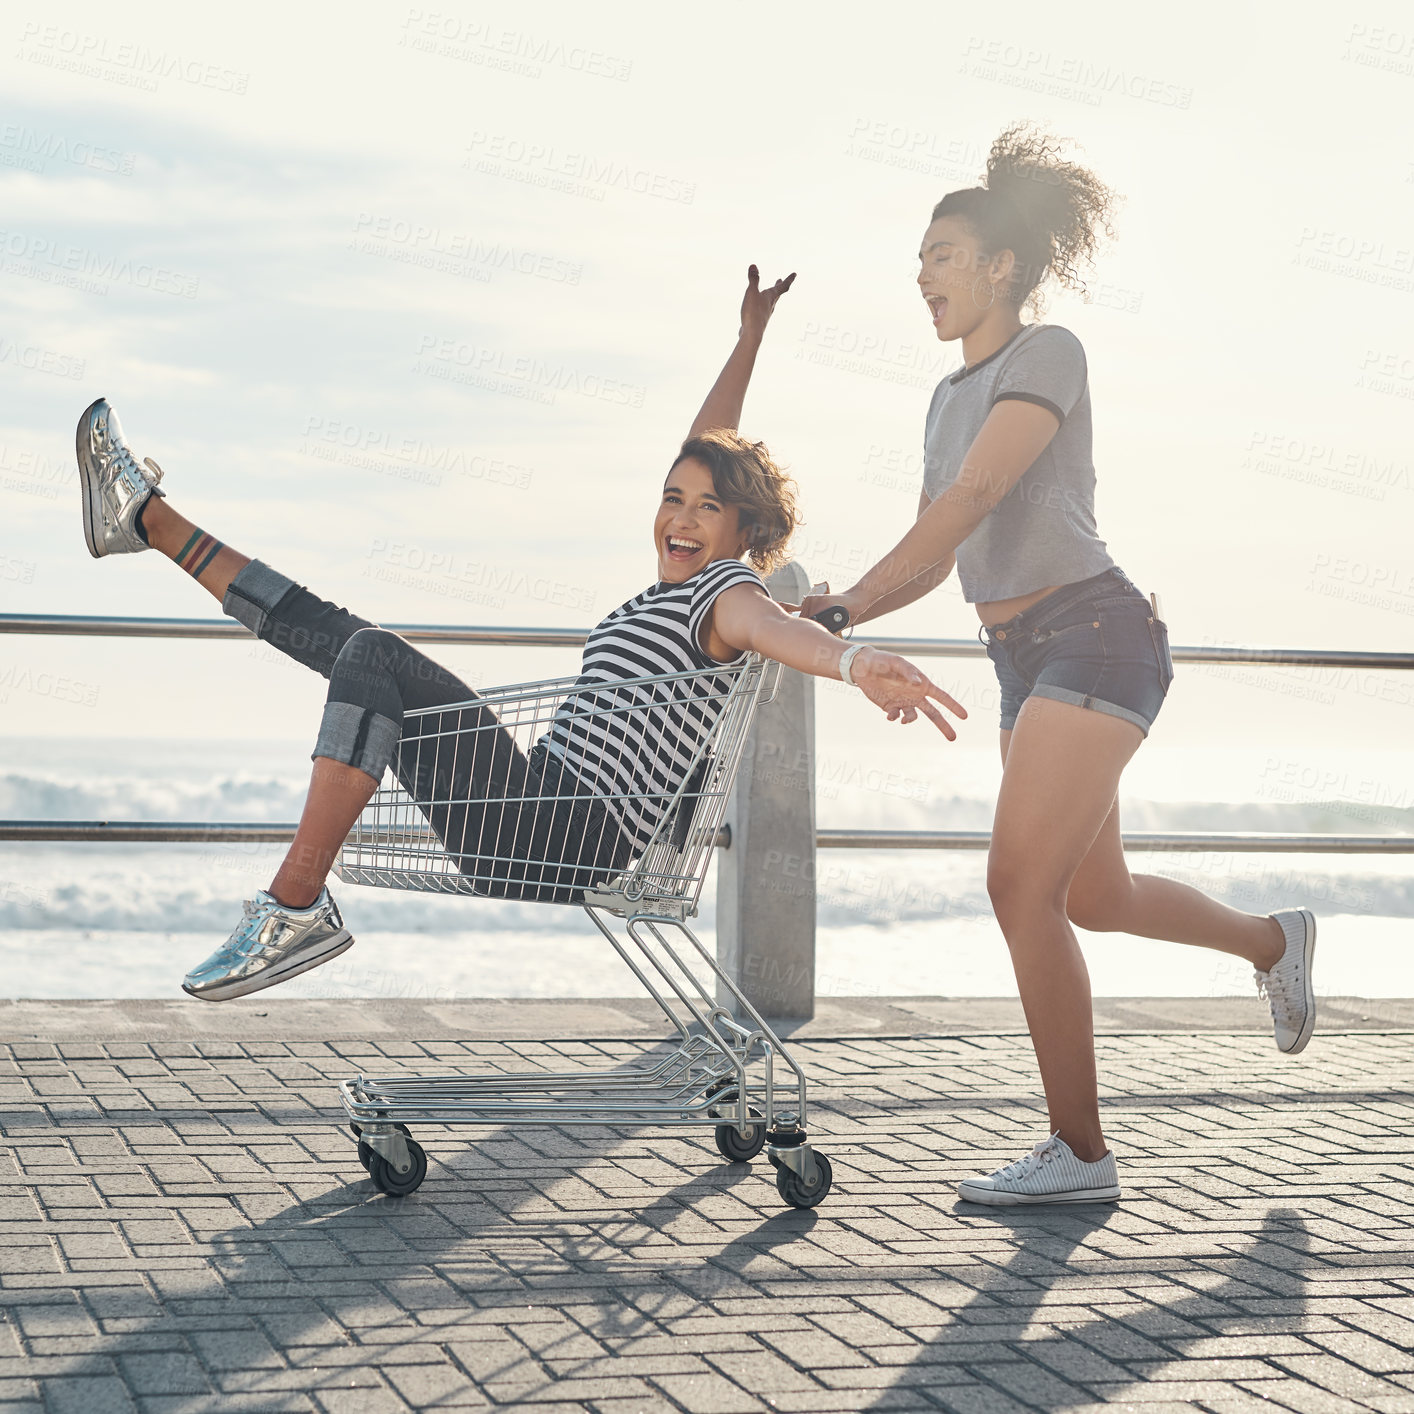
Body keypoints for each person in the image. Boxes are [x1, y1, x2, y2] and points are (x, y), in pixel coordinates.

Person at [76, 265, 966, 1003]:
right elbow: (709, 441)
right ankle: (148, 521)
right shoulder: (672, 588)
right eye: (671, 498)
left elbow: (780, 630)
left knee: (367, 651)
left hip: (566, 825)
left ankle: (295, 901)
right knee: (347, 640)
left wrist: (855, 661)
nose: (683, 519)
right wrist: (748, 338)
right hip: (533, 803)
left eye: (709, 508)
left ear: (745, 534)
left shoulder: (729, 593)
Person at [801, 124, 1316, 1206]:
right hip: (1018, 657)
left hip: (1092, 631)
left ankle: (1079, 1154)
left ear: (1001, 265)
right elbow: (945, 545)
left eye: (942, 252)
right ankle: (1272, 942)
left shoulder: (1048, 353)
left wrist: (845, 596)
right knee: (1095, 893)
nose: (923, 273)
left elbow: (976, 498)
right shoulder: (945, 397)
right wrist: (846, 616)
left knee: (1015, 886)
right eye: (920, 257)